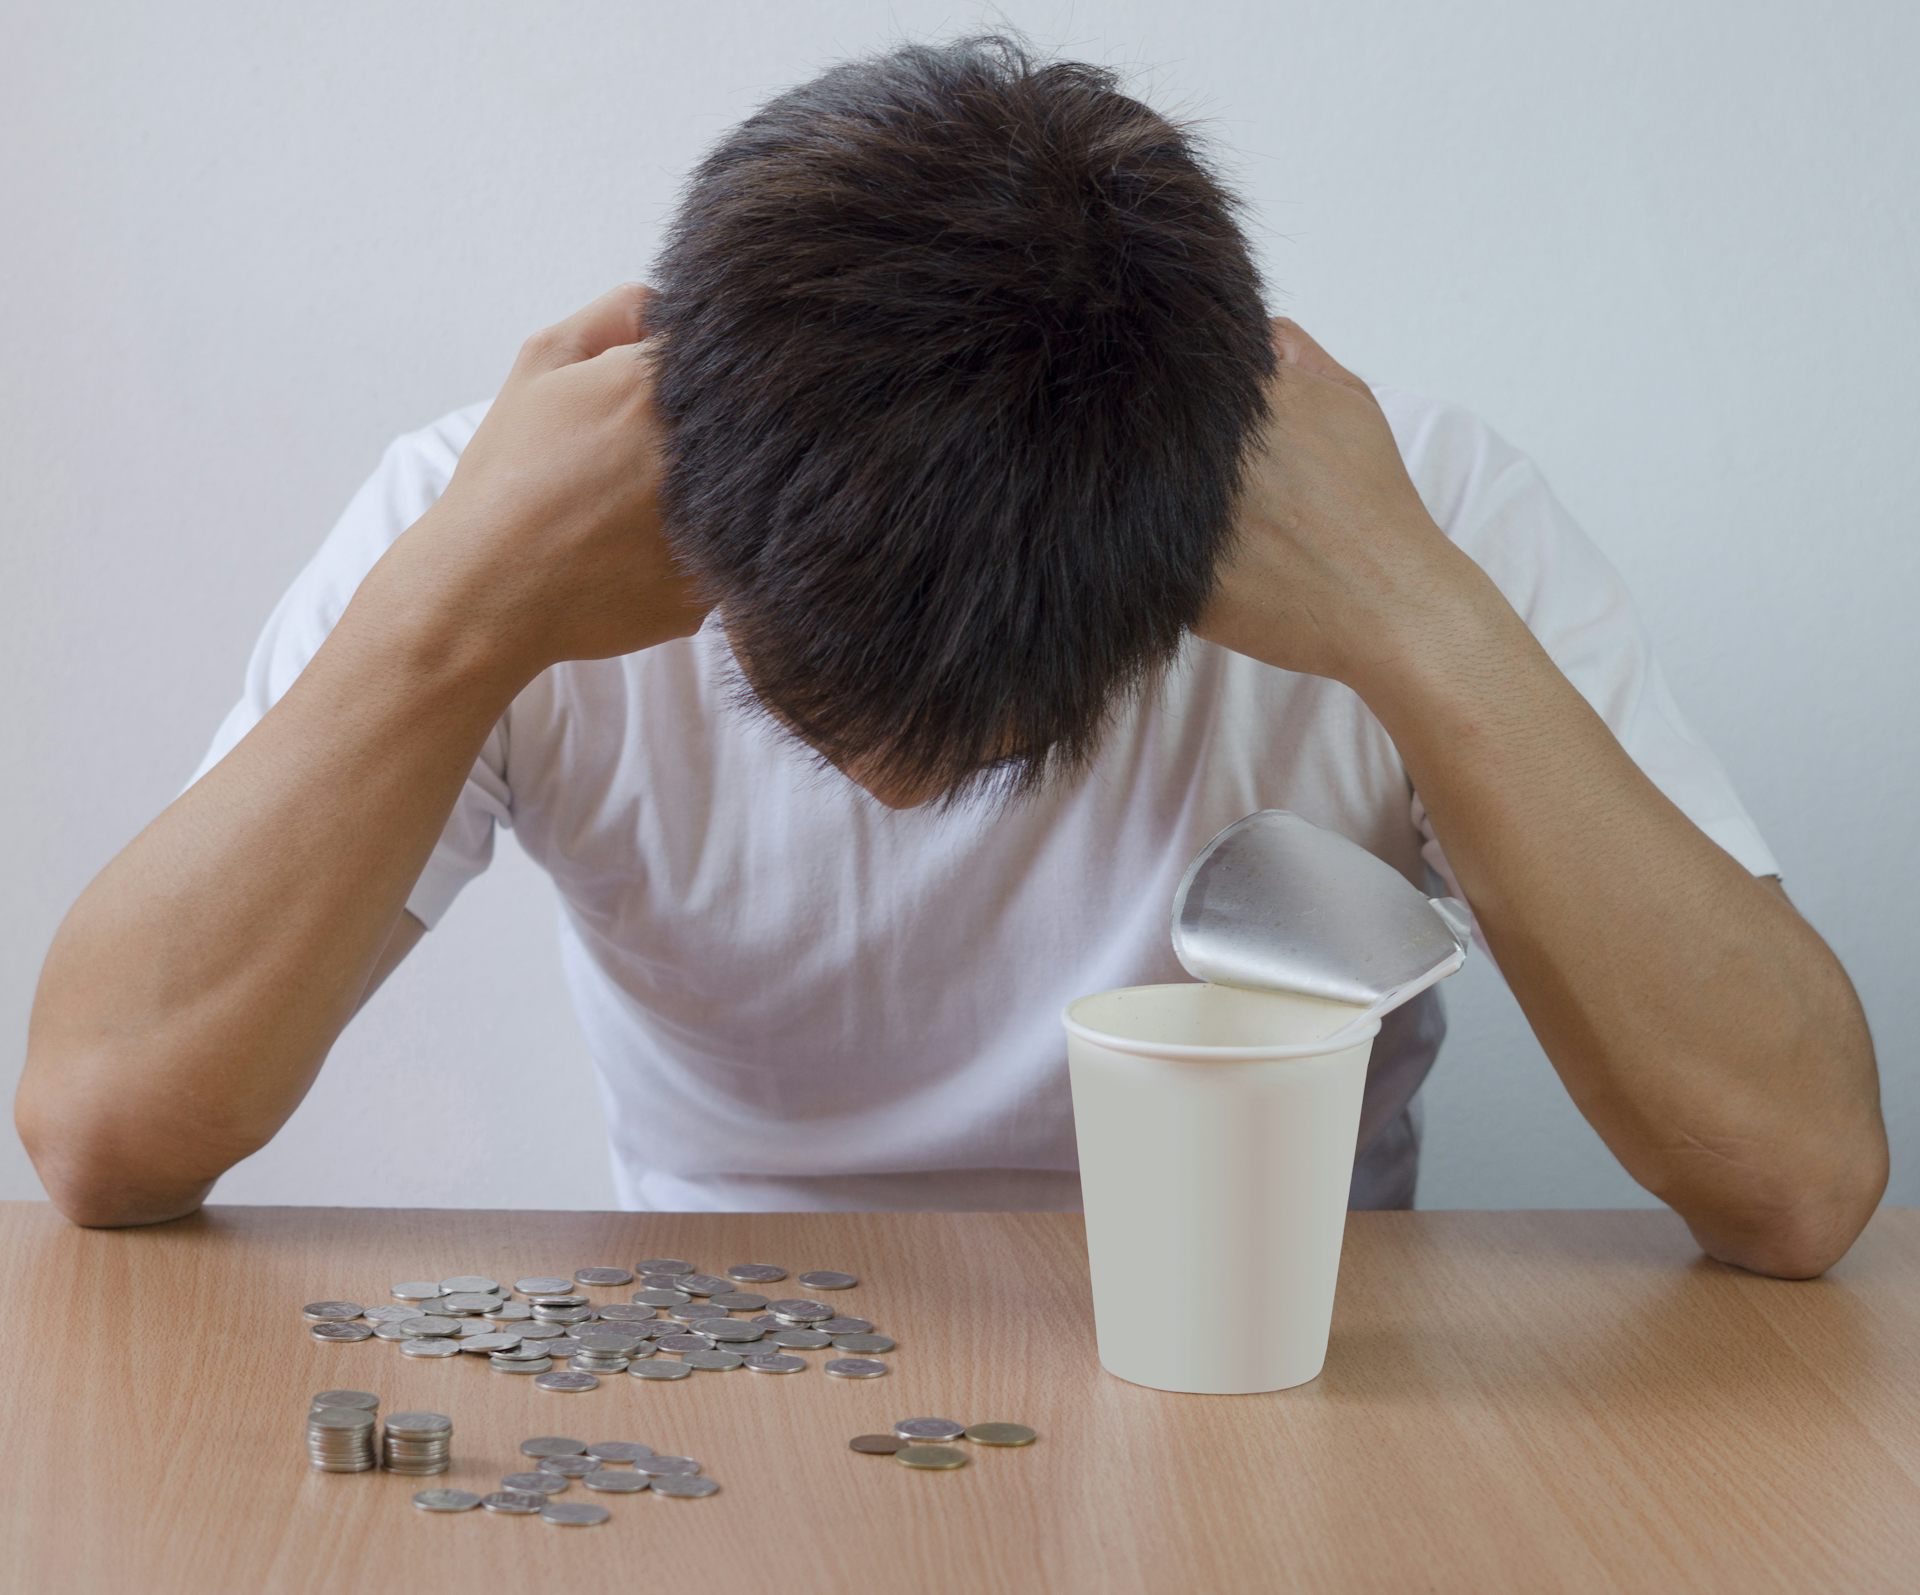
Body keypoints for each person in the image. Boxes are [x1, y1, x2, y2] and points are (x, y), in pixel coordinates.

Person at [18, 36, 1884, 1275]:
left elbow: (1799, 1184)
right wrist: (444, 618)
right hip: (731, 1344)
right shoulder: (502, 527)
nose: (901, 788)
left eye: (991, 723)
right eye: (808, 678)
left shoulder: (1408, 521)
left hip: (1295, 1353)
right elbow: (102, 1137)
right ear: (670, 476)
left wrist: (1416, 616)